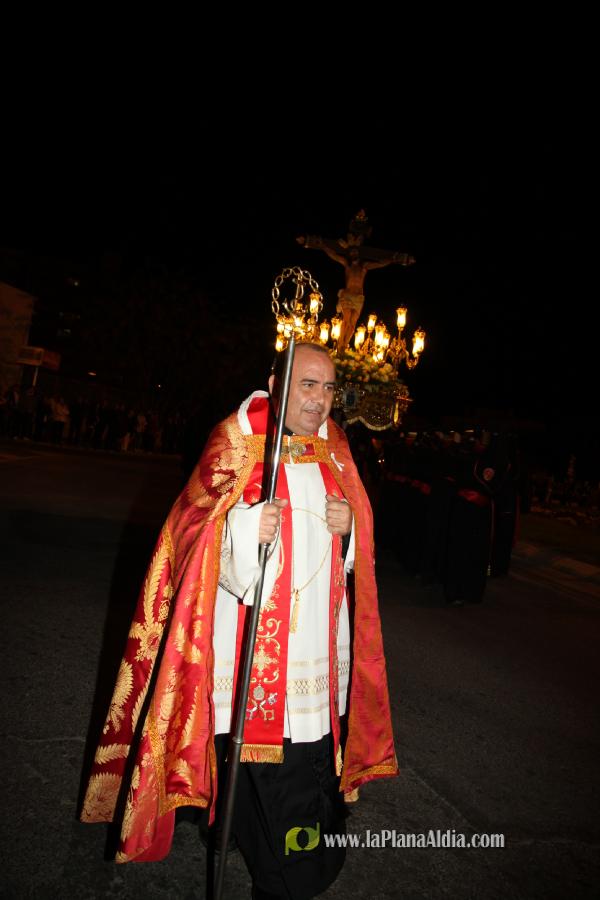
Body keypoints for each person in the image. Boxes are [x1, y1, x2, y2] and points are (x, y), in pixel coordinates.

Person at [80, 342, 398, 899]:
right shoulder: (237, 441)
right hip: (249, 646)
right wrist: (241, 532)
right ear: (276, 386)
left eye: (328, 389)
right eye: (307, 385)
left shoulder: (336, 450)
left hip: (317, 653)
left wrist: (350, 530)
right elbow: (186, 533)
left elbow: (358, 547)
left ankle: (273, 851)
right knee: (267, 767)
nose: (319, 401)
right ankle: (288, 876)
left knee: (309, 760)